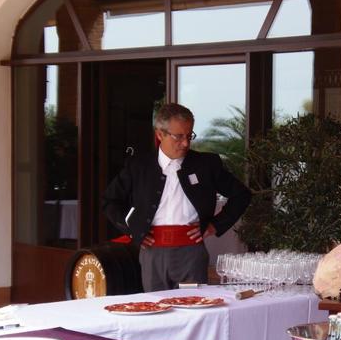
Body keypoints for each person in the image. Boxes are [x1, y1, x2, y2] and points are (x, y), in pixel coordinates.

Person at [102, 103, 251, 292]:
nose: (186, 143)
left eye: (190, 136)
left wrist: (215, 225)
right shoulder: (139, 166)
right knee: (155, 308)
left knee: (192, 307)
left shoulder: (205, 165)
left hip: (191, 256)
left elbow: (241, 194)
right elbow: (110, 201)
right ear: (160, 134)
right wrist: (133, 229)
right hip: (152, 254)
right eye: (179, 136)